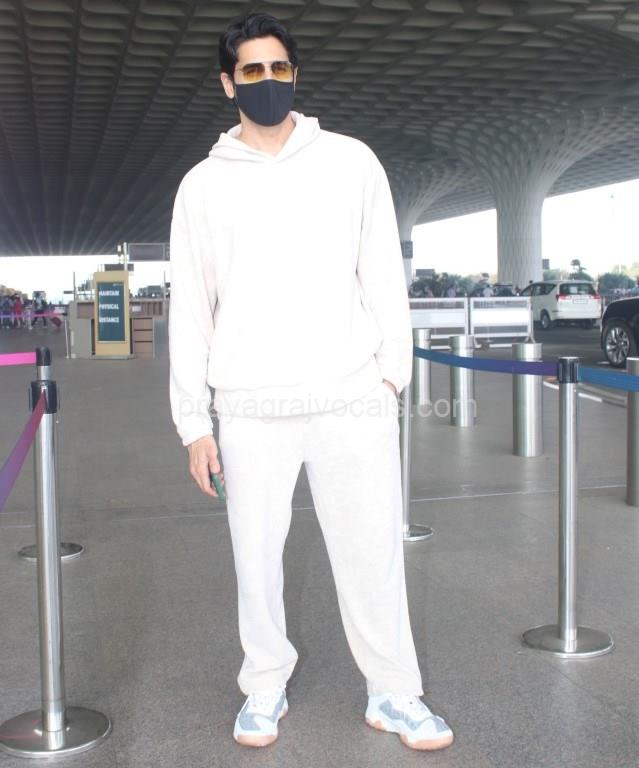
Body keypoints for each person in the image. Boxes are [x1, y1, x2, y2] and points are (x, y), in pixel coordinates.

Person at [169, 12, 453, 753]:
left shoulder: (350, 162)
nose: (268, 81)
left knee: (372, 552)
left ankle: (394, 691)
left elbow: (383, 277)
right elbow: (191, 308)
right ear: (228, 82)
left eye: (280, 68)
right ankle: (264, 685)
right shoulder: (202, 186)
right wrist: (194, 424)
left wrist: (390, 379)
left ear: (295, 74)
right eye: (252, 70)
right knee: (255, 559)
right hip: (250, 406)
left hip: (350, 398)